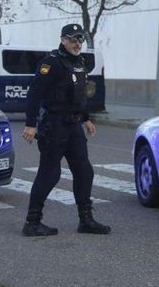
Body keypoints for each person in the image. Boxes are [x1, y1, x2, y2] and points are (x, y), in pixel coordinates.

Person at [20, 23, 110, 237]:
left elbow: (80, 95)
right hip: (55, 125)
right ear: (62, 40)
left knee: (84, 171)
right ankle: (32, 222)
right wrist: (31, 124)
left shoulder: (79, 62)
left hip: (74, 126)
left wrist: (86, 119)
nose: (77, 43)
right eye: (72, 39)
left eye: (80, 39)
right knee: (50, 173)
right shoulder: (51, 63)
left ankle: (86, 220)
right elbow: (34, 93)